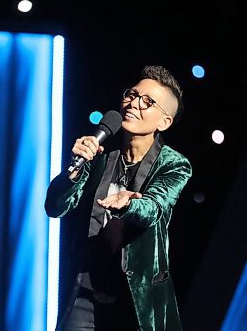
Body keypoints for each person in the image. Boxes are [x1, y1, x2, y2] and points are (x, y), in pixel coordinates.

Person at [45, 65, 192, 331]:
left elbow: (154, 206)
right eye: (131, 95)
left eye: (147, 102)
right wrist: (74, 169)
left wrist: (130, 203)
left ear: (164, 121)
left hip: (136, 300)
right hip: (85, 291)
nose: (134, 103)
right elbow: (55, 207)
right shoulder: (100, 153)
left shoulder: (174, 164)